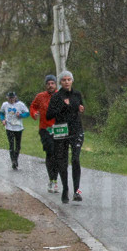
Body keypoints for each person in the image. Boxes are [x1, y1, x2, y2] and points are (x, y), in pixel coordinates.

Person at [46, 71, 85, 204]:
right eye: (64, 80)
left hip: (76, 130)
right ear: (60, 82)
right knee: (62, 162)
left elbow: (79, 107)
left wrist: (80, 108)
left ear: (72, 81)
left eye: (69, 79)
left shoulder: (77, 94)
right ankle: (65, 189)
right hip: (61, 130)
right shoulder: (56, 97)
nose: (67, 82)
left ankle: (77, 191)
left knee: (75, 159)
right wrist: (63, 106)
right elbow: (49, 115)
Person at [30, 74, 60, 192]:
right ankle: (51, 180)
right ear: (45, 85)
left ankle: (55, 180)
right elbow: (33, 106)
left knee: (58, 155)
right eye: (48, 84)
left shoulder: (61, 95)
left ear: (55, 84)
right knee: (50, 153)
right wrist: (34, 113)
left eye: (52, 83)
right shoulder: (40, 96)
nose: (50, 85)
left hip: (59, 129)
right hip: (45, 129)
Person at [0, 91, 30, 170]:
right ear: (7, 98)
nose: (11, 99)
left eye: (12, 98)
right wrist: (2, 120)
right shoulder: (5, 104)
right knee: (11, 144)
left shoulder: (21, 104)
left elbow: (27, 113)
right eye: (10, 98)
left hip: (18, 128)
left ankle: (16, 159)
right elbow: (1, 113)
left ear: (15, 97)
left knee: (18, 145)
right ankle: (13, 161)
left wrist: (21, 115)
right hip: (9, 127)